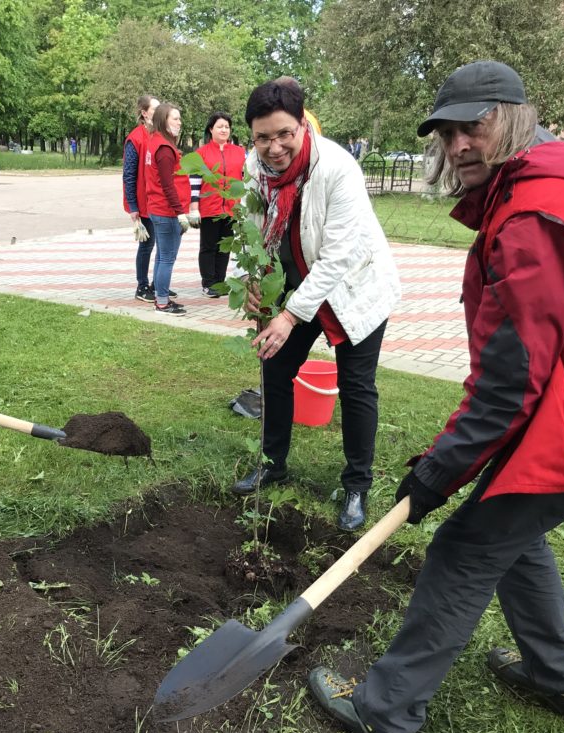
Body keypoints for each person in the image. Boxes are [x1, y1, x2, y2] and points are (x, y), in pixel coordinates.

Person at [307, 61, 564, 733]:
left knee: (465, 547)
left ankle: (385, 710)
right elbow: (525, 369)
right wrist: (452, 463)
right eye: (447, 133)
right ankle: (557, 677)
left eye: (474, 125)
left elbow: (509, 387)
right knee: (508, 530)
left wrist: (435, 474)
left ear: (515, 116)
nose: (459, 145)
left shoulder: (532, 217)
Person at [230, 77, 400, 532]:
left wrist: (287, 316)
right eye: (262, 137)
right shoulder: (254, 168)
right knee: (275, 367)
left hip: (351, 286)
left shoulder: (338, 168)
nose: (273, 147)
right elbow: (248, 228)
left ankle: (357, 486)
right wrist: (247, 278)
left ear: (303, 124)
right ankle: (272, 462)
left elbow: (339, 255)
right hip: (297, 284)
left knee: (357, 385)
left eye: (283, 133)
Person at [144, 102, 193, 315]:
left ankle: (159, 294)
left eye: (179, 118)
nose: (179, 122)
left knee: (162, 255)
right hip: (167, 211)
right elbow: (167, 184)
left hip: (159, 208)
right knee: (167, 257)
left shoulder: (156, 142)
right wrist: (180, 212)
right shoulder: (164, 148)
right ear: (164, 121)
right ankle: (162, 302)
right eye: (175, 118)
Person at [189, 111, 245, 298]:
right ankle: (208, 283)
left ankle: (220, 282)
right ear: (211, 129)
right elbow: (195, 182)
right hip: (209, 207)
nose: (224, 130)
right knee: (208, 246)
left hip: (231, 208)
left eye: (227, 127)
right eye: (220, 126)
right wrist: (194, 207)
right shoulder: (201, 153)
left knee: (225, 246)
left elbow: (245, 179)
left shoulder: (239, 153)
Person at [123, 95, 164, 303]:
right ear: (144, 112)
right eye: (155, 109)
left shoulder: (158, 136)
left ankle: (159, 285)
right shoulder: (135, 138)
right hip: (143, 203)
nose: (159, 112)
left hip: (158, 201)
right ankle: (142, 286)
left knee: (161, 244)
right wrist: (132, 205)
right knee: (147, 245)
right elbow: (129, 174)